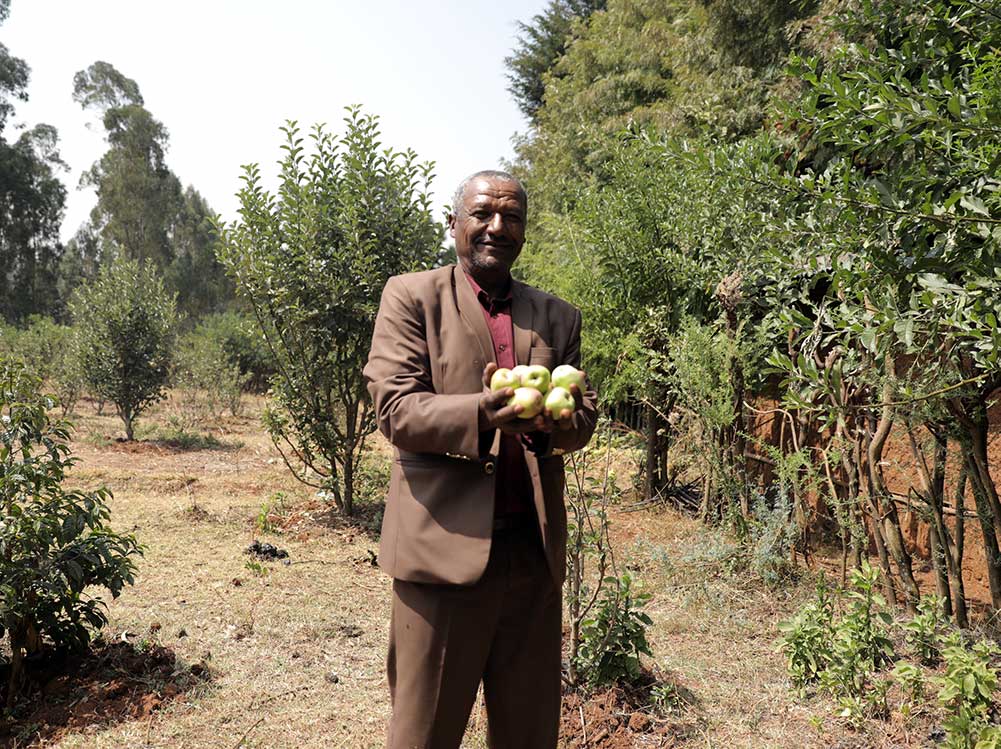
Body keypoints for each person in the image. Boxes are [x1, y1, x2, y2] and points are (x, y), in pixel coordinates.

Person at [364, 169, 598, 749]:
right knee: (424, 734)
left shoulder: (557, 316)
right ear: (455, 225)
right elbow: (396, 410)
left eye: (512, 216)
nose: (498, 226)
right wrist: (483, 414)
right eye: (483, 214)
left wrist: (554, 426)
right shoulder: (411, 296)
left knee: (529, 732)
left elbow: (584, 415)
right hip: (441, 559)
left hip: (531, 562)